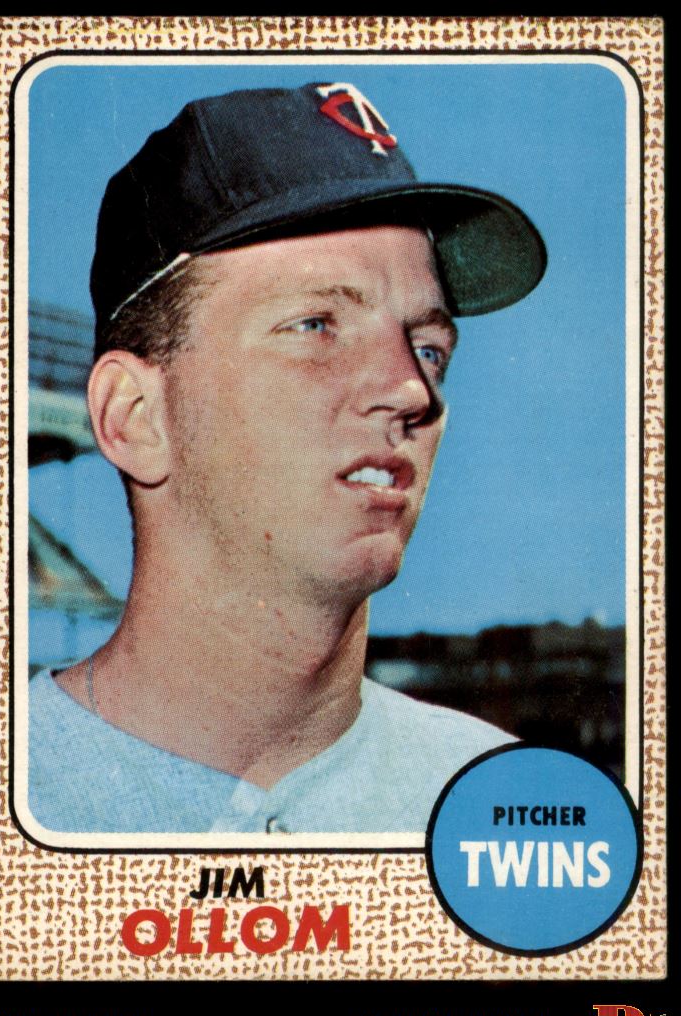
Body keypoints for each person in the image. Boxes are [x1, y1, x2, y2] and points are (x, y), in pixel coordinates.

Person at [27, 82, 546, 834]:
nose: (411, 389)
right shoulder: (12, 795)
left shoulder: (497, 808)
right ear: (134, 417)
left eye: (430, 349)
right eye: (315, 326)